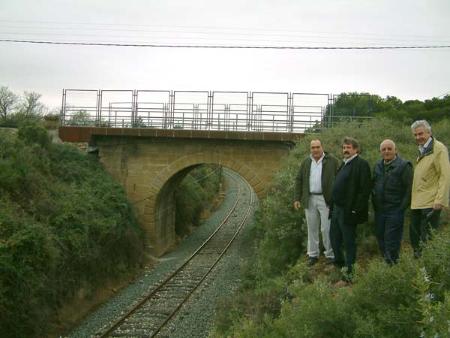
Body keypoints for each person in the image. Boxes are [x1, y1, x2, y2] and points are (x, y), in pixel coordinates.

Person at [330, 137, 371, 282]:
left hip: (348, 211)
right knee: (334, 238)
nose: (345, 150)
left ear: (356, 149)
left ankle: (350, 273)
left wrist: (355, 210)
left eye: (348, 147)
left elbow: (364, 190)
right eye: (344, 148)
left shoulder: (361, 164)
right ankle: (339, 264)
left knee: (348, 242)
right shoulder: (344, 164)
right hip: (337, 209)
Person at [294, 139, 340, 266]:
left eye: (317, 147)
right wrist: (297, 198)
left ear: (322, 147)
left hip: (326, 199)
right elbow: (299, 180)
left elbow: (340, 178)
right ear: (310, 149)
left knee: (327, 228)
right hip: (309, 198)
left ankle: (330, 254)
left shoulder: (332, 161)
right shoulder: (306, 162)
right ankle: (313, 255)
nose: (315, 150)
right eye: (313, 147)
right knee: (312, 227)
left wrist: (337, 198)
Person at [410, 120, 450, 258]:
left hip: (431, 203)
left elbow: (445, 175)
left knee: (427, 240)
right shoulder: (422, 149)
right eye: (415, 135)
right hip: (417, 203)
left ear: (429, 132)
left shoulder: (438, 148)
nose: (418, 137)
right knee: (415, 239)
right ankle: (420, 272)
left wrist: (439, 200)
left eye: (420, 133)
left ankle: (427, 275)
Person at [372, 139, 413, 265]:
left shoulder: (404, 166)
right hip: (380, 210)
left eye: (389, 149)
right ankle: (387, 263)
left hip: (395, 210)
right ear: (380, 152)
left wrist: (401, 208)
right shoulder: (378, 166)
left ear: (396, 150)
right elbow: (373, 185)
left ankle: (392, 267)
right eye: (384, 149)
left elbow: (409, 189)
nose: (387, 151)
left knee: (392, 240)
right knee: (380, 238)